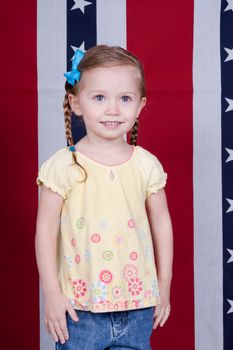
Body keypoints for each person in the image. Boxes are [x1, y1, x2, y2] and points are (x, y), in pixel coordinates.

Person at [35, 45, 173, 350]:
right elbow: (45, 232)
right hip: (80, 309)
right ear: (76, 103)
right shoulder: (62, 165)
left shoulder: (145, 164)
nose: (113, 109)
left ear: (139, 106)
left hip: (137, 308)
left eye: (125, 98)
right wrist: (52, 293)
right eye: (99, 97)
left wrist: (163, 285)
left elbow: (162, 224)